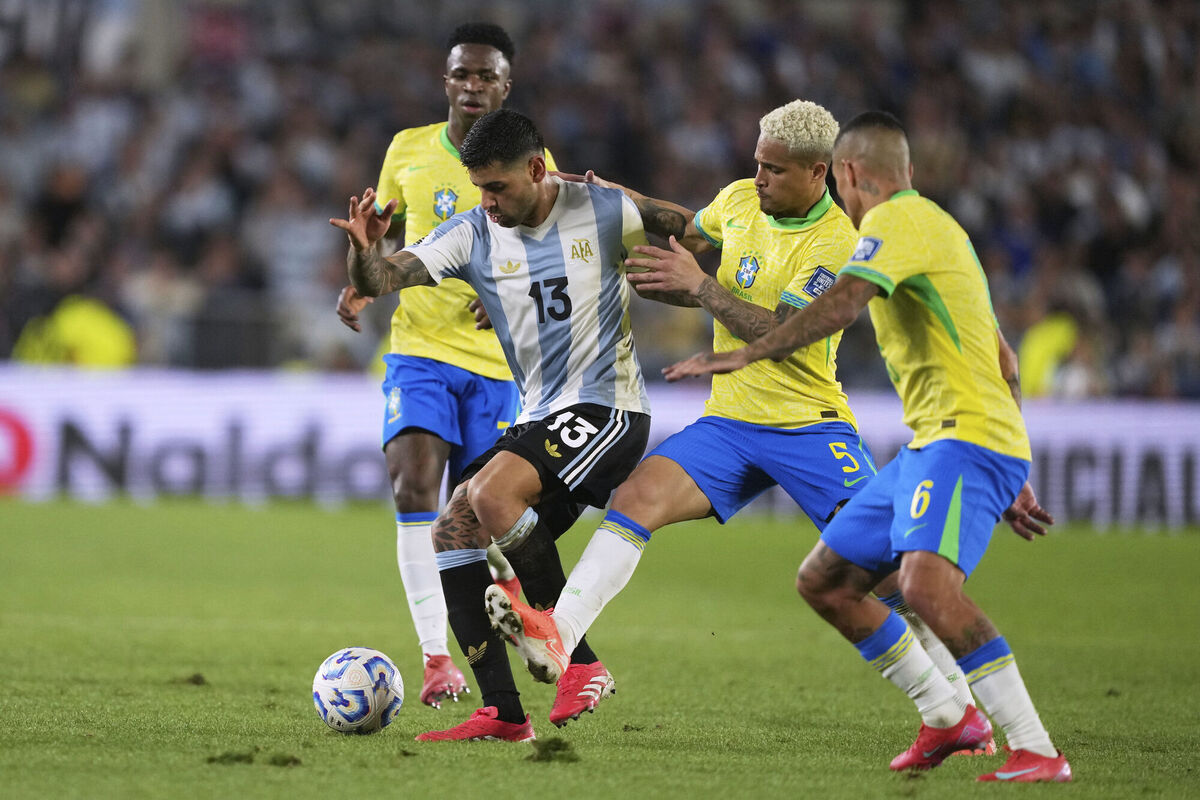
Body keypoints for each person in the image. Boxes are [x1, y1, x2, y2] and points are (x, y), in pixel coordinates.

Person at [486, 100, 989, 750]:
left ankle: (961, 709)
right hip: (730, 422)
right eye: (757, 163)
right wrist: (615, 205)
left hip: (809, 427)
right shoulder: (740, 200)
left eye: (774, 170)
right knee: (637, 497)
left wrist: (701, 288)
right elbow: (685, 231)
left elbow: (782, 332)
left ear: (818, 173)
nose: (758, 179)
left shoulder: (839, 240)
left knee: (888, 579)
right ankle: (561, 636)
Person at [663, 111, 1071, 782]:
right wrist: (1013, 461)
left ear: (847, 173)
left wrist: (748, 353)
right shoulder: (942, 232)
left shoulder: (893, 224)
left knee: (926, 588)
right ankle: (947, 717)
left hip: (964, 440)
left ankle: (1037, 749)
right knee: (825, 581)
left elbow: (841, 304)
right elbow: (1006, 358)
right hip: (941, 445)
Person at [331, 108, 652, 742]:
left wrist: (697, 276)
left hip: (608, 408)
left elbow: (694, 231)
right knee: (452, 530)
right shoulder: (474, 232)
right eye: (479, 188)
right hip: (540, 413)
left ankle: (579, 662)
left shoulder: (601, 209)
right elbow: (384, 277)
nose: (487, 202)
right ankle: (503, 711)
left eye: (496, 187)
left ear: (535, 169)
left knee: (489, 494)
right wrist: (363, 252)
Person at [333, 23, 574, 711]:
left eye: (485, 76)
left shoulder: (535, 160)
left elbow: (561, 249)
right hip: (419, 352)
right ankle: (436, 659)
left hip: (499, 367)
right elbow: (383, 240)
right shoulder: (407, 150)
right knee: (413, 488)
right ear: (445, 80)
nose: (472, 86)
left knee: (482, 519)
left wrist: (515, 291)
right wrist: (363, 277)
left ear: (506, 85)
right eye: (462, 74)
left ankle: (526, 613)